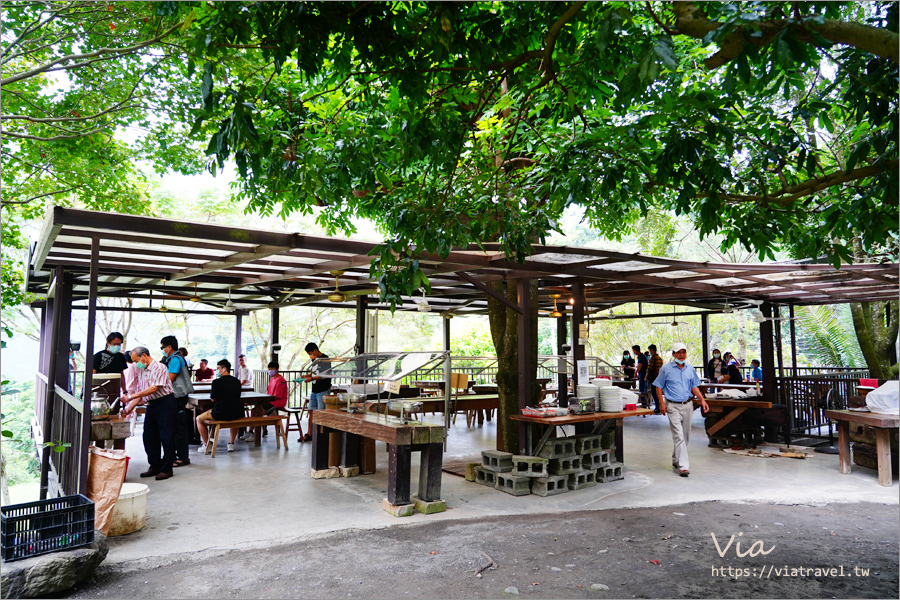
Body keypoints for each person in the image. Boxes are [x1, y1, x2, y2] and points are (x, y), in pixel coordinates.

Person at [120, 347, 177, 480]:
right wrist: (128, 408)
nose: (136, 363)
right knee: (149, 437)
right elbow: (141, 393)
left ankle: (167, 468)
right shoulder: (141, 371)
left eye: (136, 360)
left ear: (144, 356)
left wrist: (130, 396)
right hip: (151, 405)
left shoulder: (160, 367)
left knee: (166, 436)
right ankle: (154, 465)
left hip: (165, 403)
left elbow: (153, 388)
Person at [652, 342, 709, 478]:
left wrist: (702, 399)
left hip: (688, 405)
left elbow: (694, 386)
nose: (681, 355)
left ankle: (676, 459)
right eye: (678, 352)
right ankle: (684, 466)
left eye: (683, 352)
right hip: (672, 406)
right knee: (678, 435)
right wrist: (661, 403)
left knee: (686, 436)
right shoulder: (666, 369)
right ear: (673, 354)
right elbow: (658, 386)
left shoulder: (690, 369)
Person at [196, 360, 245, 453]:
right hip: (236, 412)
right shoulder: (237, 381)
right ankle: (231, 443)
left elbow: (213, 399)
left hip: (220, 413)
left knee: (199, 419)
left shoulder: (216, 382)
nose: (217, 371)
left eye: (218, 368)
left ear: (224, 369)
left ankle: (207, 445)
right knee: (234, 420)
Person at [160, 336, 193, 468]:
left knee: (179, 428)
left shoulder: (175, 359)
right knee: (174, 427)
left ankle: (183, 457)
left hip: (177, 398)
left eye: (163, 347)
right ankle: (174, 456)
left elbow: (169, 379)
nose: (162, 350)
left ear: (169, 347)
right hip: (176, 397)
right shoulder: (174, 358)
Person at [301, 343, 332, 442]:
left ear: (315, 350)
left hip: (323, 389)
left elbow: (324, 375)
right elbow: (315, 373)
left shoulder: (325, 359)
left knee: (320, 413)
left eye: (311, 353)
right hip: (314, 390)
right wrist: (308, 376)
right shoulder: (314, 360)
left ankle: (320, 435)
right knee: (311, 412)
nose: (310, 355)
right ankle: (310, 433)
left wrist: (311, 378)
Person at [645, 344, 664, 414]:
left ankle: (657, 408)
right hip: (659, 378)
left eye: (650, 350)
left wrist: (646, 377)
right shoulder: (660, 358)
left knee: (654, 393)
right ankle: (659, 407)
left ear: (652, 350)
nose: (650, 352)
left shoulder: (653, 358)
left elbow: (649, 369)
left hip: (653, 379)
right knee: (658, 394)